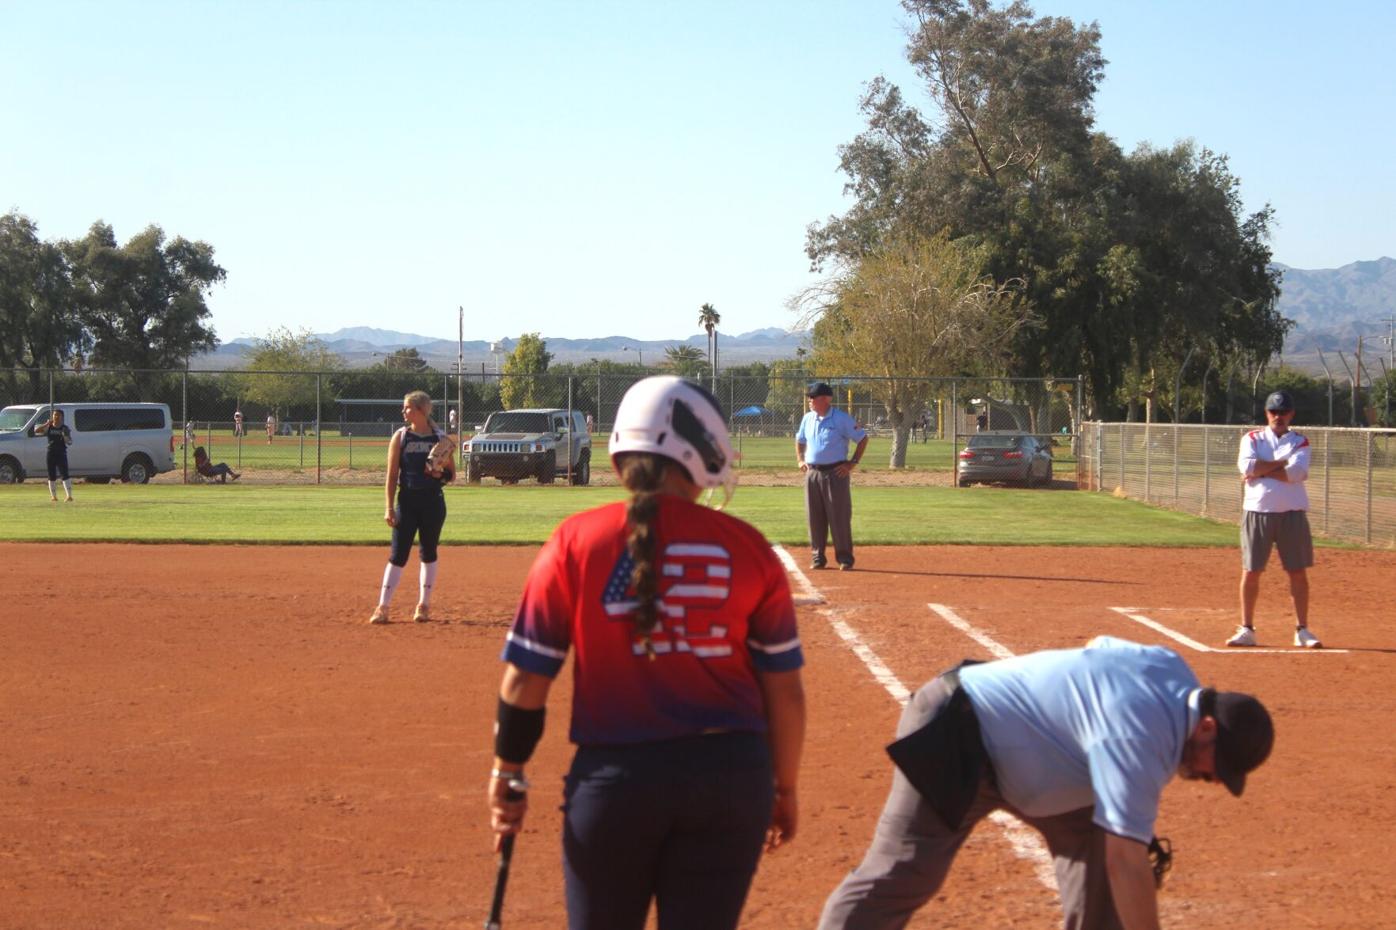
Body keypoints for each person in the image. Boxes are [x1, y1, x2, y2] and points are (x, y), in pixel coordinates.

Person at [489, 376, 806, 930]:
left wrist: (508, 773)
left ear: (619, 452)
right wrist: (783, 786)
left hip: (616, 785)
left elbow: (523, 683)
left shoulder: (575, 541)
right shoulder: (748, 547)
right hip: (731, 781)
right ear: (704, 450)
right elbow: (785, 690)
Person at [817, 636, 1274, 930]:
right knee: (905, 872)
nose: (1212, 779)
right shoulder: (1140, 736)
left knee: (1096, 870)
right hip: (957, 729)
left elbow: (1100, 646)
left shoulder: (1172, 670)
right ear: (1208, 727)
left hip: (1035, 754)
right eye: (1220, 768)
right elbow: (1126, 861)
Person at [1227, 389, 1322, 648]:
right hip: (1257, 510)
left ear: (1291, 414)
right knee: (1251, 571)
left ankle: (1302, 629)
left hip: (1292, 513)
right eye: (1273, 411)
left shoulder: (1300, 441)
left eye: (1283, 412)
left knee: (1297, 572)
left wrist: (1263, 469)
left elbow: (1298, 473)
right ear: (1266, 413)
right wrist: (1280, 464)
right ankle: (1247, 628)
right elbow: (1247, 467)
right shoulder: (1252, 438)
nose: (1278, 416)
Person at [369, 390, 454, 624]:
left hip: (433, 502)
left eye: (407, 407)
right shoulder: (401, 436)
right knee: (398, 555)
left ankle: (423, 606)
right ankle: (382, 607)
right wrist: (389, 507)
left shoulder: (439, 438)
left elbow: (451, 475)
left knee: (428, 553)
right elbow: (391, 475)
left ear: (420, 411)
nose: (403, 411)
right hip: (406, 501)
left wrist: (438, 472)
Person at [795, 381, 868, 571]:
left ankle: (845, 558)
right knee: (814, 517)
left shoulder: (841, 419)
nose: (810, 400)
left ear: (826, 399)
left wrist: (852, 463)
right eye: (809, 397)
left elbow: (862, 438)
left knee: (839, 517)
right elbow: (800, 439)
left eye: (814, 397)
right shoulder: (808, 418)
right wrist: (800, 459)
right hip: (812, 473)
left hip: (836, 473)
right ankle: (818, 557)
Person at [34, 409, 73, 502]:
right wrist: (46, 424)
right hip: (51, 452)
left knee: (64, 474)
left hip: (61, 452)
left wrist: (65, 436)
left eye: (58, 415)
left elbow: (70, 442)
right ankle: (54, 496)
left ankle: (69, 496)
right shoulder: (49, 427)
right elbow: (37, 430)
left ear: (62, 417)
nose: (56, 417)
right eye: (54, 415)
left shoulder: (64, 428)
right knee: (51, 475)